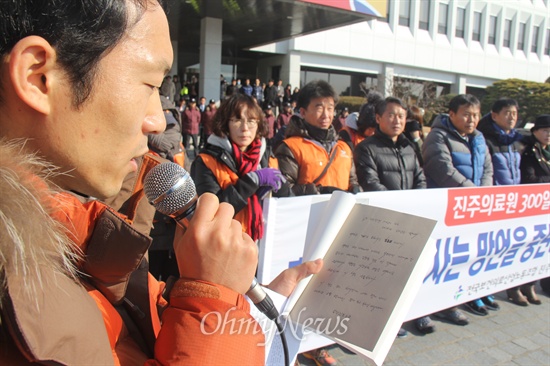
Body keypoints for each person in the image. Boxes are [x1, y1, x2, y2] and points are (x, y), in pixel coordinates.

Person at [0, 1, 322, 364]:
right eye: (150, 84)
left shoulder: (82, 225)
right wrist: (210, 298)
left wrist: (241, 304)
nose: (157, 120)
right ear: (38, 77)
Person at [276, 80, 360, 366]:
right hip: (303, 234)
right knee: (297, 291)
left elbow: (352, 183)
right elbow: (282, 191)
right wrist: (321, 192)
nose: (326, 114)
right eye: (318, 107)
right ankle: (290, 348)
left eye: (330, 107)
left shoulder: (343, 147)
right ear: (302, 111)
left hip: (338, 231)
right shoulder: (290, 146)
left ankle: (317, 345)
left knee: (328, 291)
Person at [354, 96, 428, 336]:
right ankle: (380, 322)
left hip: (410, 219)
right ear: (378, 118)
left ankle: (412, 314)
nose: (397, 120)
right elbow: (371, 182)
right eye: (391, 115)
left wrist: (415, 203)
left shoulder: (409, 146)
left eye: (401, 116)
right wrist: (400, 205)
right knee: (380, 277)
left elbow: (421, 178)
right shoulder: (367, 148)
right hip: (383, 221)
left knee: (406, 273)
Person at [422, 94, 493, 326]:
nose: (471, 119)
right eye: (466, 114)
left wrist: (482, 193)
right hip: (446, 208)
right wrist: (473, 194)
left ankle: (449, 304)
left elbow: (487, 169)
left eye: (475, 115)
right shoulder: (437, 136)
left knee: (458, 260)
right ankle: (423, 307)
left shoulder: (479, 138)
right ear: (451, 115)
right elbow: (442, 168)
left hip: (472, 209)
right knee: (434, 261)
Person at [190, 94, 290, 241]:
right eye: (237, 120)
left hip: (265, 243)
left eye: (251, 121)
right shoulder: (206, 161)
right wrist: (251, 182)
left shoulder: (267, 156)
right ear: (225, 124)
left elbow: (287, 200)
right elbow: (211, 216)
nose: (245, 128)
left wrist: (281, 187)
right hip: (226, 244)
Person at [478, 98, 527, 308]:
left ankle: (502, 288)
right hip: (494, 202)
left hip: (514, 204)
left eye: (514, 113)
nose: (511, 117)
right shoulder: (485, 139)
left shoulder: (518, 142)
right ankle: (477, 290)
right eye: (507, 113)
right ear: (494, 115)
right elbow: (486, 170)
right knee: (485, 250)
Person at [519, 114, 550, 305]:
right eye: (545, 130)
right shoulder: (529, 151)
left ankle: (534, 283)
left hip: (546, 209)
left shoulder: (547, 151)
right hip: (532, 208)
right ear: (535, 131)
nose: (548, 134)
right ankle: (520, 286)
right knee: (529, 249)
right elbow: (529, 180)